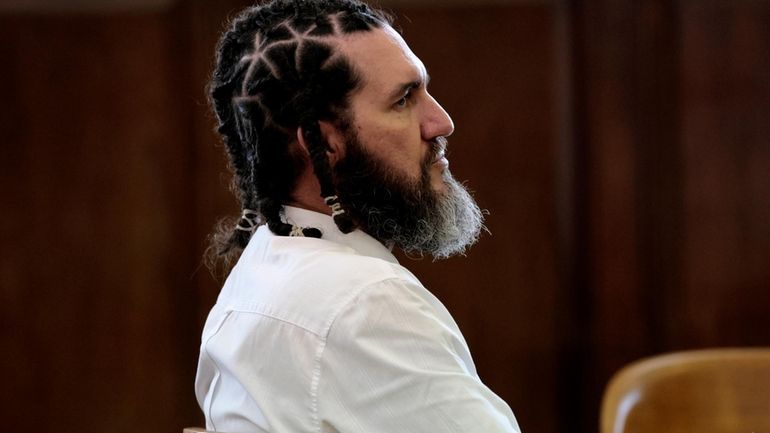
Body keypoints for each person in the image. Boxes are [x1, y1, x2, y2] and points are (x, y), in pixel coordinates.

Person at [195, 1, 520, 432]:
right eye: (403, 99)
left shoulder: (258, 269)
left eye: (424, 90)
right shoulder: (366, 305)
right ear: (324, 144)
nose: (441, 123)